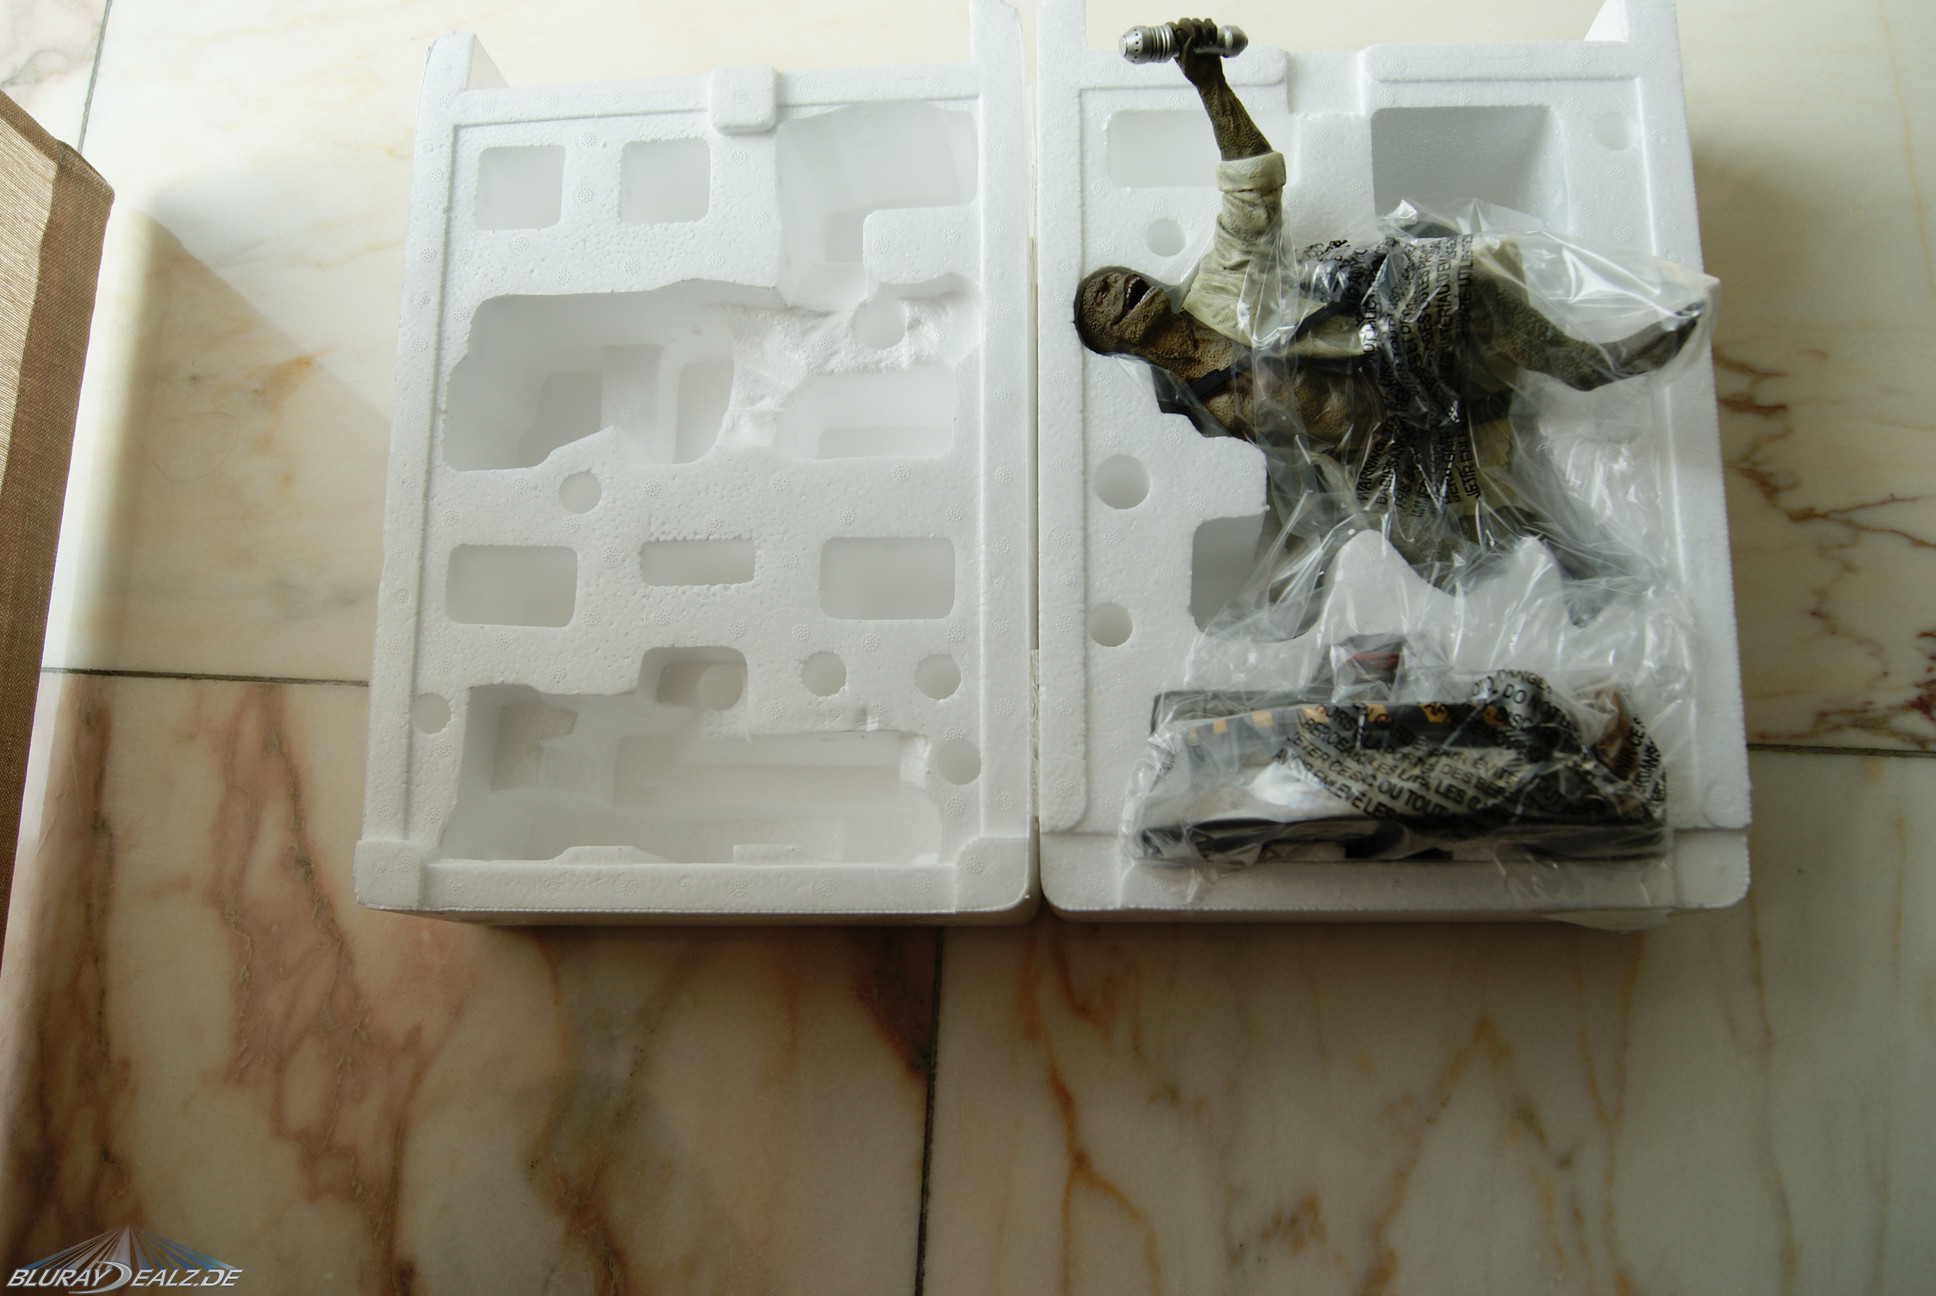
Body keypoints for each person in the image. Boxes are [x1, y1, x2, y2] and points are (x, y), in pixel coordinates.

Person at [1073, 18, 1705, 588]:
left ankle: (1582, 363)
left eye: (1119, 276)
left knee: (1462, 282)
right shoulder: (1187, 411)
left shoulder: (1219, 288)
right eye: (1101, 294)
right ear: (1110, 341)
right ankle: (1586, 576)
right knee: (1479, 530)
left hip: (1393, 367)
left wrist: (1209, 82)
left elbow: (1252, 186)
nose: (1117, 284)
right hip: (1377, 462)